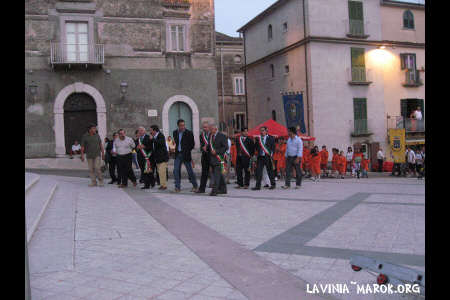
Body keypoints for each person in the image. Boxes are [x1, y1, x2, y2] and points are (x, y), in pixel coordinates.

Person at [173, 119, 198, 193]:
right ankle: (177, 187)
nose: (182, 127)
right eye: (181, 125)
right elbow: (176, 143)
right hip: (178, 154)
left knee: (190, 171)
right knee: (176, 170)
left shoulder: (189, 133)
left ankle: (195, 186)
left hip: (186, 155)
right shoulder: (175, 132)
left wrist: (186, 150)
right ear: (178, 126)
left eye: (183, 125)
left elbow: (192, 144)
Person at [209, 123, 228, 196]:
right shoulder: (211, 136)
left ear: (215, 129)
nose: (210, 131)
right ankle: (223, 189)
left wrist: (216, 151)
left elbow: (225, 147)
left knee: (216, 175)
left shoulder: (222, 136)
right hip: (212, 159)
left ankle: (214, 191)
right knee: (219, 174)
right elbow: (210, 146)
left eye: (211, 129)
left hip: (219, 158)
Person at [150, 125, 169, 190]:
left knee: (162, 172)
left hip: (162, 157)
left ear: (155, 130)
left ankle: (164, 185)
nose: (150, 132)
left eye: (151, 130)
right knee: (159, 172)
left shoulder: (161, 135)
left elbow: (160, 143)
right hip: (157, 157)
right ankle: (162, 184)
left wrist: (152, 139)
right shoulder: (155, 136)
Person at [197, 121, 212, 193]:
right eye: (203, 127)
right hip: (205, 156)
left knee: (215, 172)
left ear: (209, 127)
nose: (204, 128)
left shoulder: (212, 134)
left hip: (212, 155)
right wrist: (202, 148)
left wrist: (207, 147)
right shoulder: (201, 135)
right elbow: (201, 144)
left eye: (205, 127)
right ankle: (202, 188)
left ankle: (218, 187)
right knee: (204, 173)